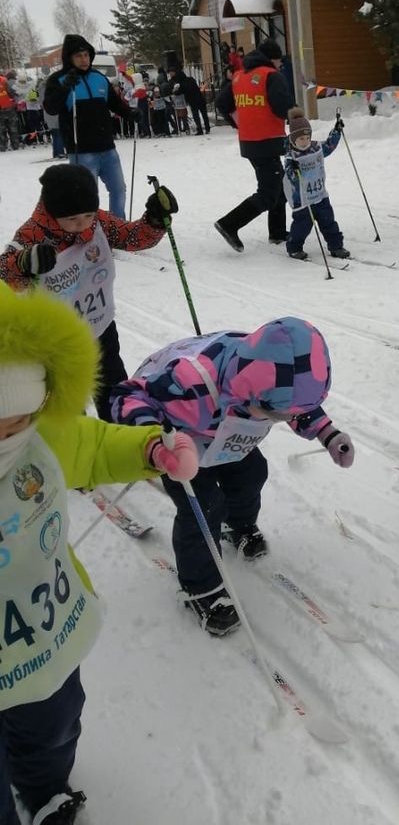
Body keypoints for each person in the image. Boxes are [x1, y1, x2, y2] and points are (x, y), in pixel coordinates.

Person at [0, 284, 198, 825]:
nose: (9, 438)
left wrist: (149, 449)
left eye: (18, 422)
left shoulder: (43, 436)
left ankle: (43, 788)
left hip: (46, 631)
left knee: (55, 722)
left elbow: (88, 444)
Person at [109, 317, 355, 635]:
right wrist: (152, 439)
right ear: (249, 393)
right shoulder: (190, 384)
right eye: (277, 415)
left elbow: (298, 404)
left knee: (253, 473)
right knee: (203, 506)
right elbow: (125, 396)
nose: (285, 420)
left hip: (227, 432)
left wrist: (328, 434)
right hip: (181, 439)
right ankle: (201, 588)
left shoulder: (270, 376)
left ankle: (237, 526)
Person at [0, 164, 178, 422]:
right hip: (57, 339)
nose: (81, 224)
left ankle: (119, 430)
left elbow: (132, 238)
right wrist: (24, 262)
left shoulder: (98, 223)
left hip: (100, 324)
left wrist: (154, 219)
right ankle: (76, 439)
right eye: (71, 219)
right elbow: (5, 276)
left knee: (113, 389)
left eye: (87, 215)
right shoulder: (32, 234)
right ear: (52, 211)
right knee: (68, 399)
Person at [214, 38, 295, 251]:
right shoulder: (272, 76)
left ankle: (277, 233)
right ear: (272, 59)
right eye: (279, 61)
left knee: (278, 185)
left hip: (249, 141)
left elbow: (222, 103)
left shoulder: (240, 76)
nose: (280, 65)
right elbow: (281, 107)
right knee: (268, 192)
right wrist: (296, 115)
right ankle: (228, 224)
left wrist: (239, 122)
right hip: (267, 140)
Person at [43, 35, 134, 219]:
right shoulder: (58, 80)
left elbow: (114, 103)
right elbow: (50, 108)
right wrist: (65, 88)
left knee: (119, 190)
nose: (84, 59)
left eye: (86, 55)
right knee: (87, 197)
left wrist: (131, 113)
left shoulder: (99, 78)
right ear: (69, 58)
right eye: (78, 56)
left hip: (107, 147)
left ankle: (117, 228)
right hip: (81, 151)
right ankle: (90, 233)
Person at [283, 109, 350, 261]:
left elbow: (329, 146)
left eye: (307, 137)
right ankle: (294, 247)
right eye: (301, 139)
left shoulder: (315, 148)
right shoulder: (291, 156)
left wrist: (336, 131)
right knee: (303, 226)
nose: (305, 141)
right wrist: (293, 169)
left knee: (329, 221)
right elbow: (290, 177)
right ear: (293, 139)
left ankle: (336, 246)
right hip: (303, 199)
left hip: (320, 195)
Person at [0, 73, 21, 152]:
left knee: (1, 130)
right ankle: (15, 145)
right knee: (13, 128)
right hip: (9, 108)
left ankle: (2, 147)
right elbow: (11, 93)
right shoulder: (4, 80)